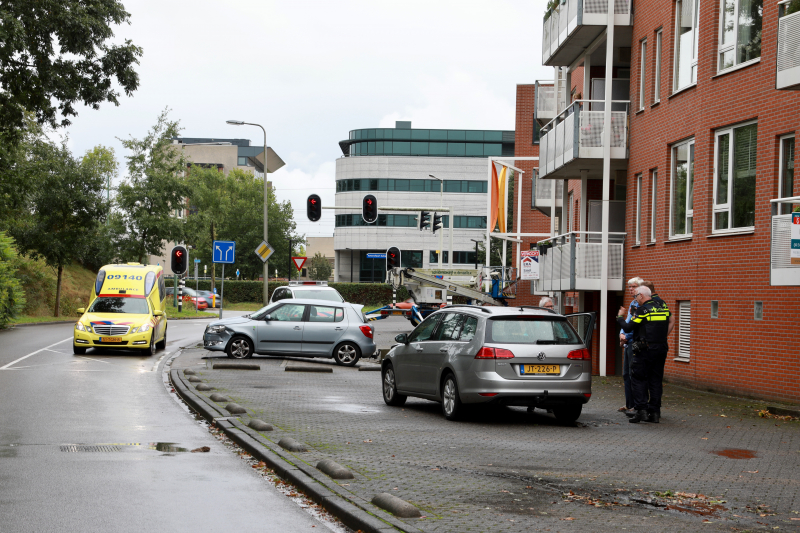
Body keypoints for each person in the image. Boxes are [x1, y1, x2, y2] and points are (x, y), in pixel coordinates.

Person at [617, 285, 671, 424]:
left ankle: (642, 411)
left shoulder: (643, 310)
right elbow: (669, 321)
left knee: (638, 379)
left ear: (641, 295)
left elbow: (628, 327)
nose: (636, 299)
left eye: (636, 296)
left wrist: (620, 317)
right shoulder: (663, 306)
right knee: (655, 380)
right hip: (661, 348)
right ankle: (655, 413)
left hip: (645, 350)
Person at [619, 277, 644, 415]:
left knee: (633, 374)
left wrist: (625, 337)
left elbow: (634, 326)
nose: (630, 289)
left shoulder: (640, 305)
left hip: (633, 343)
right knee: (626, 374)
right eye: (629, 286)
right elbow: (627, 322)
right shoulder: (632, 303)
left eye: (633, 286)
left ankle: (635, 405)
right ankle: (629, 404)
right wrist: (621, 335)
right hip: (627, 342)